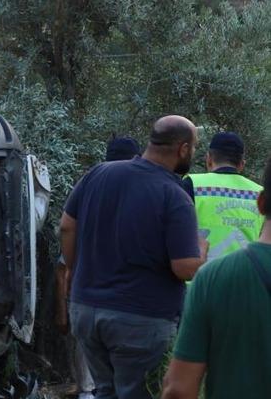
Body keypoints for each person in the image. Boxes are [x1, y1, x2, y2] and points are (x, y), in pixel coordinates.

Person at [60, 116, 207, 399]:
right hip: (140, 318)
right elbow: (184, 269)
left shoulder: (98, 173)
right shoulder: (174, 194)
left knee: (105, 391)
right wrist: (201, 251)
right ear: (183, 149)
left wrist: (72, 269)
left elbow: (66, 225)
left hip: (86, 310)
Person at [162, 156, 271, 399]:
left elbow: (179, 388)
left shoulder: (193, 184)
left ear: (262, 203)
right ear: (242, 163)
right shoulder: (250, 188)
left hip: (215, 284)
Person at [55, 135, 141, 399]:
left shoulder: (89, 190)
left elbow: (65, 236)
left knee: (95, 384)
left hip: (89, 301)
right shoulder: (147, 194)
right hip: (133, 307)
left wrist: (63, 309)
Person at [182, 132, 263, 260]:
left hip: (202, 277)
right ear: (242, 164)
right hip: (247, 276)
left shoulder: (192, 184)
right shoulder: (260, 194)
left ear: (208, 159)